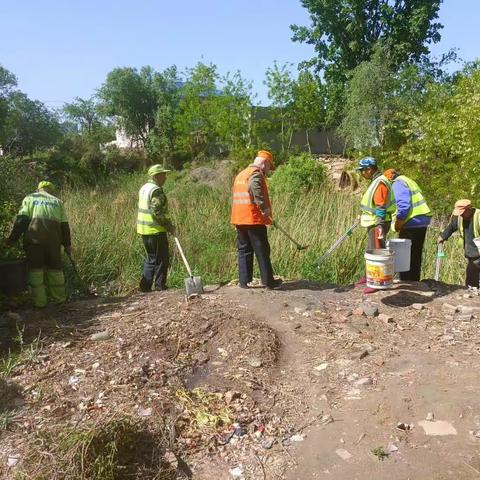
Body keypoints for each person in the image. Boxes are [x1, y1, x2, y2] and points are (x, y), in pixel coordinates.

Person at [6, 181, 71, 308]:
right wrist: (67, 245)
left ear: (38, 189)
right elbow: (65, 226)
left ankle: (39, 303)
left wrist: (12, 240)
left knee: (35, 270)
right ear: (50, 190)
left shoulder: (30, 198)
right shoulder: (58, 202)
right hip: (54, 243)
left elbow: (22, 221)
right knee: (55, 270)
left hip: (34, 241)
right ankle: (60, 301)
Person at [230, 150, 282, 289]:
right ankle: (269, 282)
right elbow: (254, 187)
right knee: (262, 250)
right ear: (264, 163)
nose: (268, 170)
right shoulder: (255, 174)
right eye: (269, 166)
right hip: (253, 218)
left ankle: (244, 281)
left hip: (239, 219)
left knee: (244, 250)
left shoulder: (241, 174)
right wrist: (264, 208)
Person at [355, 157, 396, 293]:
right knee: (370, 249)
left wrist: (379, 225)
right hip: (373, 223)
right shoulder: (376, 181)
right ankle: (368, 277)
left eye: (362, 170)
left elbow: (380, 206)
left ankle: (376, 282)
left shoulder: (380, 183)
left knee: (377, 251)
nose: (361, 173)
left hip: (377, 223)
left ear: (369, 169)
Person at [386, 169, 432, 281]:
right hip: (421, 220)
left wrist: (398, 224)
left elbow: (403, 207)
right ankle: (414, 281)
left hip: (411, 221)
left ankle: (407, 282)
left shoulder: (397, 183)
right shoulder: (408, 180)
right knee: (415, 254)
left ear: (390, 179)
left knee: (405, 255)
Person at [137, 164, 176, 292]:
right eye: (162, 175)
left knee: (151, 258)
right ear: (155, 176)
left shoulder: (144, 188)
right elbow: (157, 211)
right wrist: (168, 225)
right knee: (162, 258)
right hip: (155, 230)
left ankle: (145, 287)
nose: (165, 177)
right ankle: (160, 286)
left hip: (144, 230)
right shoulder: (156, 190)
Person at [438, 199, 480, 288]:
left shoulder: (478, 216)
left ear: (469, 209)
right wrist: (443, 236)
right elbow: (451, 227)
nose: (461, 215)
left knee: (472, 275)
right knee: (472, 279)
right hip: (471, 253)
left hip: (477, 253)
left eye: (462, 212)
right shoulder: (459, 217)